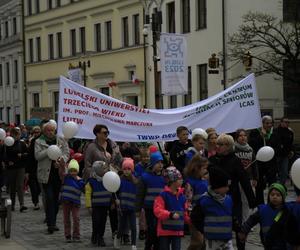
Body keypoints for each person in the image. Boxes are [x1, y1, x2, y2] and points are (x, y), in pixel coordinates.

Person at [209, 133, 256, 250]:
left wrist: (252, 202)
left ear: (229, 146)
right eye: (217, 143)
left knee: (239, 227)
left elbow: (244, 180)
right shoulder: (212, 160)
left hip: (233, 198)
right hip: (216, 199)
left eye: (221, 144)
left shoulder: (235, 160)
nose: (217, 146)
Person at [238, 183, 298, 249]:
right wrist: (244, 231)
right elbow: (251, 220)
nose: (275, 197)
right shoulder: (262, 210)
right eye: (272, 195)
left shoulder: (288, 210)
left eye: (278, 195)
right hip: (269, 244)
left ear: (283, 197)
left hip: (285, 246)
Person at [35, 121, 69, 234]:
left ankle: (51, 219)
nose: (50, 132)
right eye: (48, 130)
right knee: (49, 198)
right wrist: (49, 151)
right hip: (46, 174)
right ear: (44, 131)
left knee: (56, 200)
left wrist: (60, 161)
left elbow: (66, 153)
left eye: (52, 130)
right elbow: (38, 156)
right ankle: (51, 224)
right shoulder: (38, 141)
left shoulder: (61, 140)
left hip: (58, 173)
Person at [191, 167, 235, 250]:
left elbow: (232, 216)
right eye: (225, 186)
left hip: (227, 239)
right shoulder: (204, 200)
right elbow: (195, 217)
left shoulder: (229, 199)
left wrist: (238, 229)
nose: (228, 189)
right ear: (216, 187)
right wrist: (204, 229)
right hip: (212, 240)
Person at [154, 167, 190, 250]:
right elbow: (157, 210)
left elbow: (185, 213)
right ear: (172, 181)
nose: (182, 180)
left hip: (177, 231)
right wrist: (170, 214)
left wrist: (191, 221)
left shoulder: (182, 196)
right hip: (164, 231)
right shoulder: (163, 195)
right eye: (179, 179)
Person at [137, 151, 166, 250]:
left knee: (159, 229)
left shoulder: (165, 177)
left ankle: (157, 246)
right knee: (152, 228)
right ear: (153, 163)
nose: (160, 165)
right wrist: (138, 208)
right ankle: (148, 245)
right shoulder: (145, 177)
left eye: (162, 162)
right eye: (158, 162)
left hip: (161, 208)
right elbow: (140, 194)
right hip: (150, 207)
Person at [248, 115, 280, 204]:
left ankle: (272, 203)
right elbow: (252, 145)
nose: (269, 125)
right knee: (259, 185)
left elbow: (277, 147)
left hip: (271, 163)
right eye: (267, 123)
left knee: (272, 184)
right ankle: (260, 204)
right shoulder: (255, 132)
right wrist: (261, 137)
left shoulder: (275, 132)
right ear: (262, 124)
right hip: (259, 163)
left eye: (271, 123)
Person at [114, 158, 139, 250]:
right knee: (121, 226)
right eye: (125, 169)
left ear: (132, 170)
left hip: (132, 207)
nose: (127, 171)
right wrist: (116, 200)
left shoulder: (136, 181)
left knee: (133, 226)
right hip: (122, 207)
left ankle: (134, 244)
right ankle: (117, 237)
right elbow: (115, 192)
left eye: (129, 169)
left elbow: (138, 194)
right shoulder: (119, 180)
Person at [234, 129, 258, 223]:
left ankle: (247, 221)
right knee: (238, 201)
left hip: (248, 178)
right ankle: (238, 220)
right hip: (237, 178)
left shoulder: (250, 149)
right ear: (237, 138)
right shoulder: (233, 148)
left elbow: (254, 164)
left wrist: (255, 178)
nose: (243, 137)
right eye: (240, 135)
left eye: (244, 135)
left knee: (248, 200)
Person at [85, 161, 111, 246]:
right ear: (97, 170)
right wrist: (89, 206)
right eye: (103, 169)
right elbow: (88, 194)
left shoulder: (107, 180)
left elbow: (111, 191)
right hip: (95, 206)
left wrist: (112, 202)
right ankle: (94, 234)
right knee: (96, 221)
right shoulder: (91, 181)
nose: (105, 170)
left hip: (105, 205)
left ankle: (100, 237)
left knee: (103, 222)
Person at [4, 127, 28, 212]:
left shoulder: (22, 144)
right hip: (11, 168)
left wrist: (22, 155)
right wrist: (7, 162)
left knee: (20, 185)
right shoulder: (7, 144)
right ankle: (12, 205)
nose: (17, 136)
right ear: (12, 135)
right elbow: (4, 156)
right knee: (12, 187)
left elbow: (27, 154)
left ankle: (22, 204)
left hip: (20, 167)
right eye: (16, 134)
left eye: (18, 134)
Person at [61, 159, 85, 242]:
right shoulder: (66, 177)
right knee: (66, 219)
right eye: (71, 170)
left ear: (77, 171)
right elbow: (61, 172)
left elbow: (84, 190)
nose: (73, 173)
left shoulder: (80, 181)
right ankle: (67, 235)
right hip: (66, 202)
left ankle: (76, 235)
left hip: (75, 203)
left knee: (76, 218)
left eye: (75, 171)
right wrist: (62, 164)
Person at [274, 117, 294, 184]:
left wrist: (291, 151)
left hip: (285, 155)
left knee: (284, 172)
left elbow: (291, 143)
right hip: (277, 155)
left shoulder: (290, 132)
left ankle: (281, 185)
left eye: (288, 122)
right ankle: (275, 185)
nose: (287, 123)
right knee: (275, 171)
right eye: (285, 122)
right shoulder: (276, 131)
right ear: (281, 122)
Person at [26, 126, 42, 210]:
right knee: (33, 186)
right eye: (35, 132)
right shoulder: (32, 141)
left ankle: (36, 198)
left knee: (39, 187)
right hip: (32, 167)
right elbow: (29, 156)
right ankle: (36, 202)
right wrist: (27, 170)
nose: (36, 134)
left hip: (40, 166)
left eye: (38, 132)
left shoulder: (42, 141)